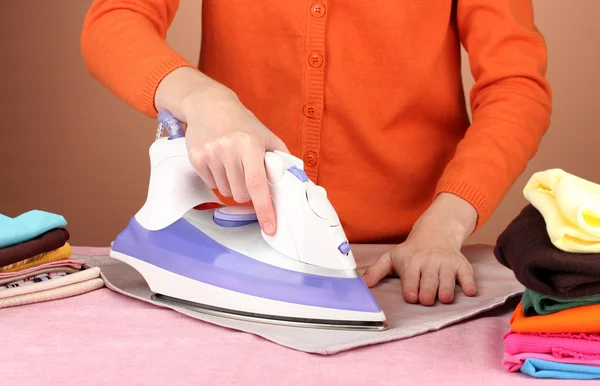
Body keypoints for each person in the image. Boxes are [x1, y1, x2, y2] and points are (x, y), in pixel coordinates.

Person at [80, 0, 552, 306]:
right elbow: (115, 19)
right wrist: (203, 99)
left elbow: (514, 86)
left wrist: (444, 223)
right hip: (232, 240)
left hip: (411, 252)